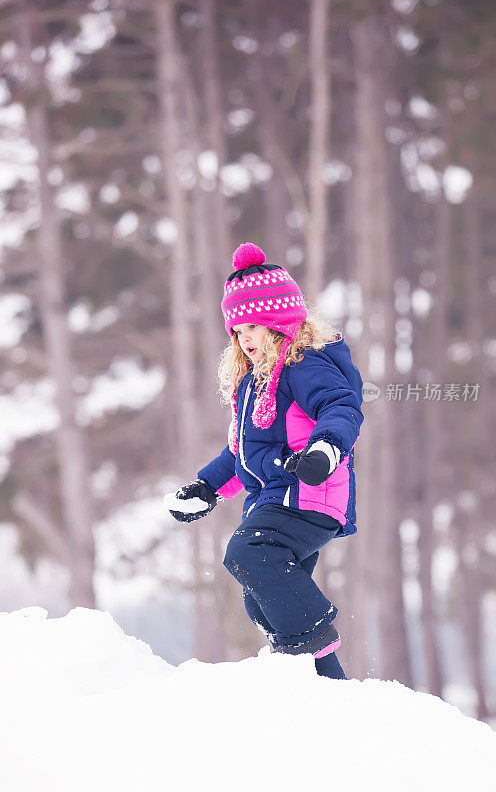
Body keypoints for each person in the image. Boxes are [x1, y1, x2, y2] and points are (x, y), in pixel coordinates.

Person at [164, 242, 364, 680]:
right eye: (238, 329)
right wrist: (207, 487)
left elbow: (342, 407)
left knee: (249, 552)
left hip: (309, 493)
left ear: (280, 324)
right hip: (274, 501)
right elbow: (240, 454)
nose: (246, 337)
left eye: (255, 325)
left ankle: (310, 641)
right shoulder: (251, 384)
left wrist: (325, 449)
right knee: (263, 599)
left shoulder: (303, 364)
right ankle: (325, 684)